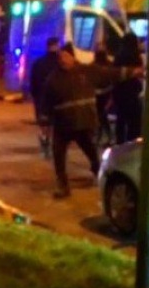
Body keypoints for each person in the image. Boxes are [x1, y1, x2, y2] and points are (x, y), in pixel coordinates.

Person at [39, 42, 142, 199]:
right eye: (60, 57)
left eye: (66, 56)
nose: (62, 60)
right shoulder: (53, 79)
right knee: (58, 156)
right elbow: (46, 103)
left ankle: (101, 176)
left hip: (83, 123)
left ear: (72, 57)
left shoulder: (87, 72)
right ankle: (63, 186)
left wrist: (132, 72)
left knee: (92, 154)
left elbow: (110, 74)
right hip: (62, 125)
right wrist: (44, 124)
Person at [29, 37, 60, 156]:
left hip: (42, 99)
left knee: (44, 124)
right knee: (51, 124)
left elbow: (33, 82)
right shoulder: (59, 63)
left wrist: (35, 96)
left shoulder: (39, 62)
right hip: (54, 98)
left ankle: (45, 142)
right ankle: (47, 143)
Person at [112, 32, 144, 144]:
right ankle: (132, 142)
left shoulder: (118, 55)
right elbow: (140, 73)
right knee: (134, 121)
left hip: (120, 92)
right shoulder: (136, 56)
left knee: (120, 120)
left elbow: (115, 74)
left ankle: (119, 142)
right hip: (132, 92)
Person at [93, 45, 114, 147]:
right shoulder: (109, 65)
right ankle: (104, 135)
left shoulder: (94, 65)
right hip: (106, 93)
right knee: (102, 116)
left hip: (99, 94)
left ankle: (102, 135)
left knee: (101, 116)